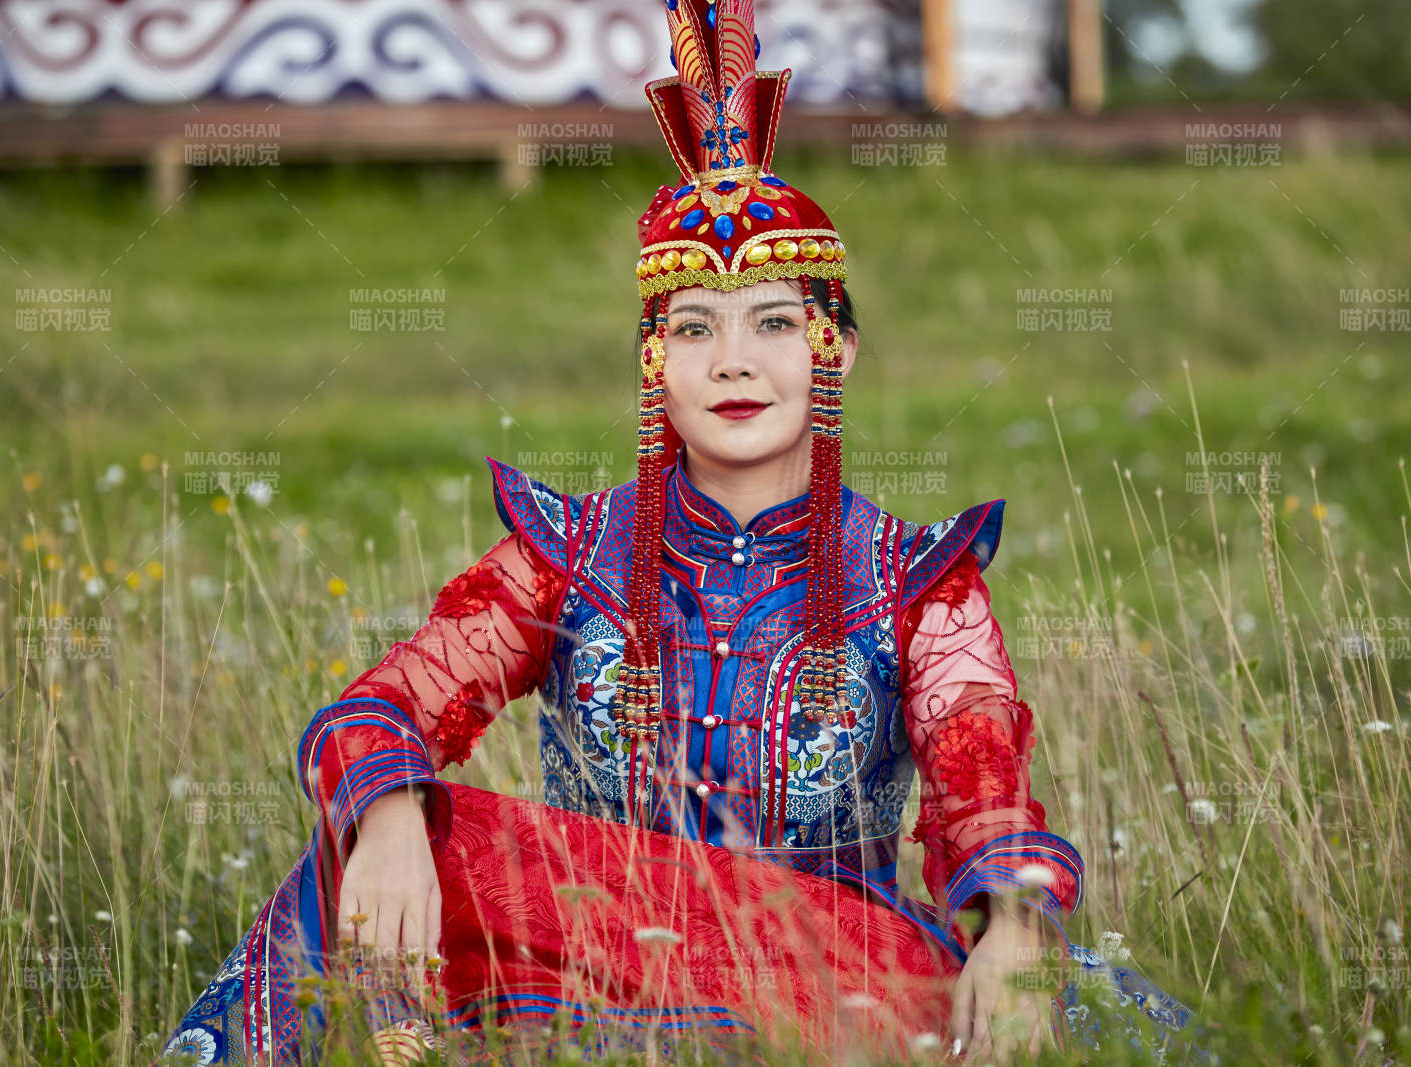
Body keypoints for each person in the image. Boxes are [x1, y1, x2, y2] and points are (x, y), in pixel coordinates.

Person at [155, 2, 1212, 1063]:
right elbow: (393, 702)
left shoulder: (914, 581)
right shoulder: (568, 553)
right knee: (369, 841)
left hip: (826, 960)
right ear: (655, 362)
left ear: (833, 346)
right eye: (693, 327)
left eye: (773, 322)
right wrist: (385, 820)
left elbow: (979, 770)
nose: (733, 361)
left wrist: (1018, 925)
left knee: (1050, 1013)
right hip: (594, 928)